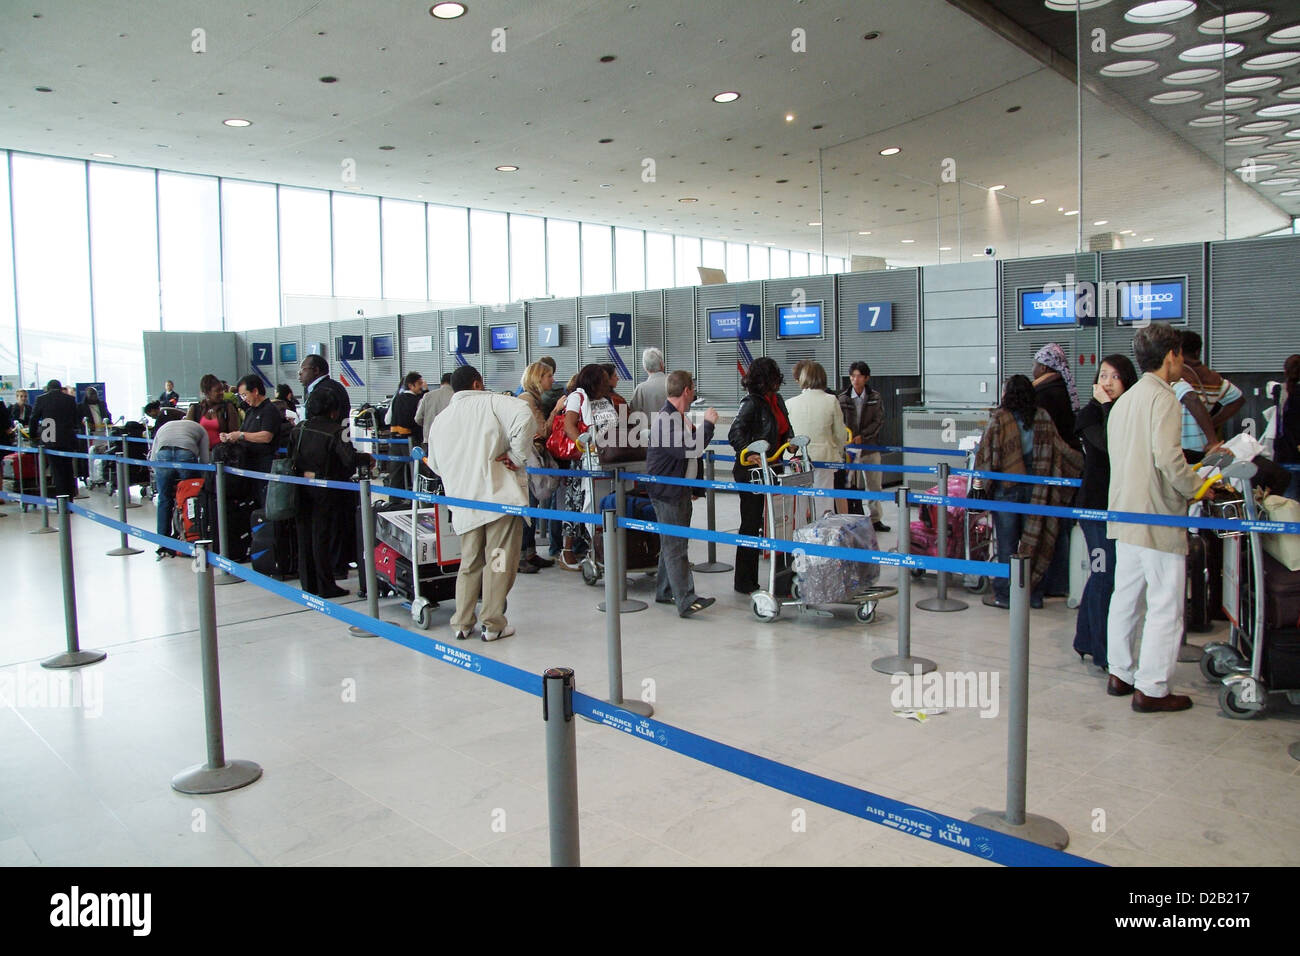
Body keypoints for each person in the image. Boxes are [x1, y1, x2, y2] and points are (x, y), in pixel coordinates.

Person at [1105, 324, 1215, 713]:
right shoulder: (1164, 398)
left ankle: (1120, 671)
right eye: (1181, 355)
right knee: (1166, 602)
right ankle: (1152, 688)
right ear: (1171, 356)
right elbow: (1169, 460)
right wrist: (1198, 486)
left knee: (1126, 597)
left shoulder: (1125, 401)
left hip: (1125, 511)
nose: (1182, 362)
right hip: (1158, 514)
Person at [428, 364, 535, 642]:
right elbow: (525, 416)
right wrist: (517, 455)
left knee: (469, 563)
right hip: (497, 498)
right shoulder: (493, 402)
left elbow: (436, 465)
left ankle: (462, 623)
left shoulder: (442, 419)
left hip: (463, 502)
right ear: (477, 384)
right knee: (498, 561)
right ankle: (492, 623)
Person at [973, 375, 1083, 610]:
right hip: (1037, 488)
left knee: (1006, 545)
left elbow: (986, 454)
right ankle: (1032, 594)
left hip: (1006, 487)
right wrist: (1084, 464)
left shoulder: (999, 418)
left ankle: (1004, 594)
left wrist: (980, 483)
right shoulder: (1042, 417)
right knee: (1034, 542)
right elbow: (1060, 449)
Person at [1072, 354, 1139, 668]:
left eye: (1115, 376)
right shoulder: (1089, 415)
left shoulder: (1132, 412)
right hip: (1096, 509)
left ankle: (1085, 639)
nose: (1108, 383)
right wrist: (1106, 406)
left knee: (1106, 576)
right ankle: (1103, 652)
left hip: (1122, 505)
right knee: (1104, 576)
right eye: (1103, 376)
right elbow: (1115, 444)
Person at [646, 370, 718, 617]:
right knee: (676, 545)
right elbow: (689, 449)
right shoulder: (667, 419)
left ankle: (666, 590)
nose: (695, 392)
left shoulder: (675, 417)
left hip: (676, 488)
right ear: (687, 390)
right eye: (693, 388)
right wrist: (708, 424)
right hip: (668, 492)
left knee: (672, 543)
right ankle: (686, 599)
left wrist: (692, 487)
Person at [291, 386, 369, 598]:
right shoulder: (336, 431)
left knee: (305, 534)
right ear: (333, 410)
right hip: (327, 489)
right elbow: (350, 460)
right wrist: (366, 459)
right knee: (322, 536)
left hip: (300, 486)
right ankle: (326, 585)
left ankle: (308, 583)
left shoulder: (299, 428)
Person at [729, 356, 794, 594]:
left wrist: (790, 442)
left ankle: (782, 579)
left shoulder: (777, 400)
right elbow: (735, 434)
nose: (777, 382)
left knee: (780, 522)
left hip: (774, 468)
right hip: (751, 472)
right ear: (764, 380)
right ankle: (745, 581)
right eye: (773, 378)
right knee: (751, 523)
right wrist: (750, 452)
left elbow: (785, 427)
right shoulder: (751, 403)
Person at [558, 364, 618, 570]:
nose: (607, 382)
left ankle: (597, 547)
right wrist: (585, 446)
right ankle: (566, 552)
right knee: (576, 502)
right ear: (593, 381)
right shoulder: (577, 397)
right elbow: (569, 425)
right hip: (584, 459)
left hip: (605, 458)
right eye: (603, 379)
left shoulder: (606, 399)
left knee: (601, 501)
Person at [786, 362, 846, 510]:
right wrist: (838, 452)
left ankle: (799, 532)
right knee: (823, 504)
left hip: (797, 459)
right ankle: (820, 533)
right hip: (824, 458)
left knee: (799, 505)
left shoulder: (790, 403)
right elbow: (840, 434)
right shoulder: (831, 400)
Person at [518, 361, 560, 574]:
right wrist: (557, 411)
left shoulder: (530, 399)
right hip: (529, 459)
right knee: (528, 507)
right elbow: (542, 431)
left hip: (529, 457)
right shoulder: (529, 401)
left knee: (531, 507)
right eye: (548, 376)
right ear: (538, 378)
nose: (552, 380)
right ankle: (522, 555)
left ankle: (530, 553)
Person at [1176, 331, 1242, 464]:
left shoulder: (1177, 375)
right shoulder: (1213, 378)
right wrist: (1212, 423)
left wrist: (1212, 438)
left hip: (1182, 449)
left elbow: (1191, 398)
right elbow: (1238, 399)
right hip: (1204, 448)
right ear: (1198, 351)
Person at [150, 415, 211, 558]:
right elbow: (204, 460)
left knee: (164, 499)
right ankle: (191, 536)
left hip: (163, 453)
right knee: (189, 498)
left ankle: (163, 542)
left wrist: (161, 478)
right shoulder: (200, 429)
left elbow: (153, 458)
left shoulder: (164, 427)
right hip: (186, 452)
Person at [837, 361, 887, 530]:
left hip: (870, 447)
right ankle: (855, 517)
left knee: (874, 485)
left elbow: (878, 421)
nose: (855, 379)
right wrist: (849, 437)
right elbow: (839, 422)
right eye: (852, 376)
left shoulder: (875, 397)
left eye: (859, 376)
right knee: (851, 484)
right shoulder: (842, 397)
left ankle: (875, 519)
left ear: (866, 378)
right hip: (850, 448)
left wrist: (863, 436)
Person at [221, 375, 284, 504]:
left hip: (264, 465)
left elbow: (266, 436)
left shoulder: (269, 410)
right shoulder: (250, 411)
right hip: (249, 464)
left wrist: (241, 435)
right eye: (241, 396)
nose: (244, 399)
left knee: (264, 502)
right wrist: (230, 437)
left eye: (245, 395)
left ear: (255, 391)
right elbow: (243, 433)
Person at [30, 380, 79, 499]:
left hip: (50, 438)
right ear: (60, 387)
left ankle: (62, 502)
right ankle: (70, 499)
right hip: (67, 439)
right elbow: (76, 420)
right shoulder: (70, 399)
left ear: (48, 388)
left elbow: (33, 419)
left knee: (57, 471)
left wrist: (33, 436)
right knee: (68, 469)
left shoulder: (41, 399)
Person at [386, 371, 426, 490]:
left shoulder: (396, 399)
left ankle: (394, 500)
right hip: (411, 440)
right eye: (419, 384)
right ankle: (420, 501)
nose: (421, 387)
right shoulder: (417, 400)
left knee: (395, 472)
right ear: (411, 385)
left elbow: (387, 419)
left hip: (395, 440)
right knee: (417, 470)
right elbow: (419, 420)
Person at [187, 374, 241, 451]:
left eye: (222, 390)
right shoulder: (195, 409)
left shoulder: (228, 407)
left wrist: (227, 438)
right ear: (207, 392)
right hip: (199, 453)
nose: (222, 393)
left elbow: (234, 433)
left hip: (223, 453)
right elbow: (188, 434)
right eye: (218, 390)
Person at [297, 354, 351, 424]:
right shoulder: (336, 386)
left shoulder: (322, 392)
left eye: (303, 369)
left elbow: (315, 425)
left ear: (316, 370)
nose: (300, 373)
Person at [1275, 355, 1300, 500]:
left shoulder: (1280, 392)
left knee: (1289, 503)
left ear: (1285, 371)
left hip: (1284, 453)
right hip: (1292, 452)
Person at [414, 372, 454, 440]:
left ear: (441, 383)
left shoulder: (427, 396)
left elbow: (418, 419)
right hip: (449, 438)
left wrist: (427, 425)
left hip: (430, 438)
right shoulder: (455, 396)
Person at [630, 348, 668, 418]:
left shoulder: (640, 389)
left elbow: (634, 416)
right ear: (662, 365)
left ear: (645, 367)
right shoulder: (674, 383)